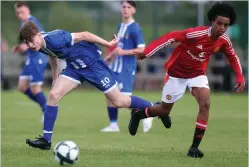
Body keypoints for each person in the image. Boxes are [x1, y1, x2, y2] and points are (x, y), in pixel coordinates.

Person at [129, 2, 245, 158]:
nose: (222, 28)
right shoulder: (195, 34)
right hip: (176, 75)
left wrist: (239, 76)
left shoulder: (224, 40)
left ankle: (194, 148)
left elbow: (232, 56)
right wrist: (147, 52)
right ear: (212, 21)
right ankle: (138, 114)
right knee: (164, 110)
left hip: (197, 75)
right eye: (219, 23)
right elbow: (170, 37)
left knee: (205, 104)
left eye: (226, 25)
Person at [20, 21, 154, 150]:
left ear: (38, 34)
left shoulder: (56, 38)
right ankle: (46, 140)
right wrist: (55, 77)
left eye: (32, 40)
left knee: (118, 101)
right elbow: (52, 55)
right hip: (75, 67)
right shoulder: (39, 45)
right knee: (53, 95)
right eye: (27, 42)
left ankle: (154, 107)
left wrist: (108, 44)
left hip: (93, 65)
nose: (31, 44)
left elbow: (85, 35)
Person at [101, 0, 153, 133]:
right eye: (123, 6)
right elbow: (119, 47)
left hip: (126, 68)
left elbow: (142, 49)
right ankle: (113, 125)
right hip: (115, 67)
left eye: (128, 7)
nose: (125, 9)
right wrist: (109, 58)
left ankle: (149, 111)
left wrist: (123, 53)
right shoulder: (120, 26)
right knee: (109, 94)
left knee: (122, 99)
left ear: (133, 10)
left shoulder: (135, 28)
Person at [13, 2, 48, 122]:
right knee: (22, 87)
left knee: (35, 89)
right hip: (30, 59)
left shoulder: (32, 22)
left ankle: (47, 110)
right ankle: (45, 106)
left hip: (38, 57)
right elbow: (28, 40)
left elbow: (41, 36)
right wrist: (21, 46)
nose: (19, 14)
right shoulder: (22, 24)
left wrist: (26, 46)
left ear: (28, 10)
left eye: (22, 12)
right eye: (17, 13)